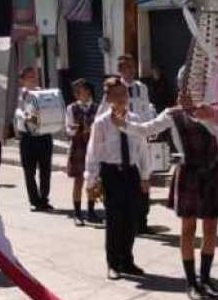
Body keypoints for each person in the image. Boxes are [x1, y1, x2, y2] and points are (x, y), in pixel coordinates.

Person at [115, 90, 218, 300]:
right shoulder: (172, 115)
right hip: (189, 172)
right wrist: (124, 124)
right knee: (188, 228)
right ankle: (191, 282)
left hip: (211, 171)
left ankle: (205, 278)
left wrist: (205, 115)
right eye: (182, 90)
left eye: (192, 90)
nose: (185, 96)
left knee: (211, 227)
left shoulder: (210, 110)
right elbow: (146, 129)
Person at [85, 77, 151, 280]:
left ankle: (127, 261)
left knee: (131, 220)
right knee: (114, 221)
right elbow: (93, 152)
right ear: (109, 98)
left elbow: (142, 149)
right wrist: (91, 179)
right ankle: (113, 264)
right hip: (111, 173)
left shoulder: (135, 120)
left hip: (131, 173)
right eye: (117, 95)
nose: (122, 98)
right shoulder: (102, 122)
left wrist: (145, 175)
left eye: (124, 94)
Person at [98, 55, 157, 234]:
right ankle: (128, 221)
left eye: (132, 66)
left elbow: (146, 110)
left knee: (144, 178)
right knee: (128, 183)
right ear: (120, 70)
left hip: (139, 137)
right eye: (125, 67)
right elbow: (102, 112)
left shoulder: (141, 88)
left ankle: (143, 221)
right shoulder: (114, 88)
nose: (130, 70)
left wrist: (150, 129)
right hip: (120, 140)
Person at [14, 67, 54, 211]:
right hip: (27, 137)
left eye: (34, 76)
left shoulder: (42, 93)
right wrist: (23, 115)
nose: (33, 79)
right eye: (29, 77)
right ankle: (34, 200)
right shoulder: (18, 95)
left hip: (43, 135)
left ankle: (44, 199)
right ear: (22, 80)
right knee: (29, 170)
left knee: (45, 169)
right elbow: (17, 110)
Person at [65, 78, 101, 226]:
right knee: (78, 180)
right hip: (78, 146)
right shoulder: (71, 108)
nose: (83, 94)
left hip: (92, 147)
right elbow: (68, 129)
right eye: (80, 92)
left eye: (86, 91)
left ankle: (91, 211)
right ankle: (78, 213)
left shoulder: (97, 108)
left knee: (92, 180)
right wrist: (75, 129)